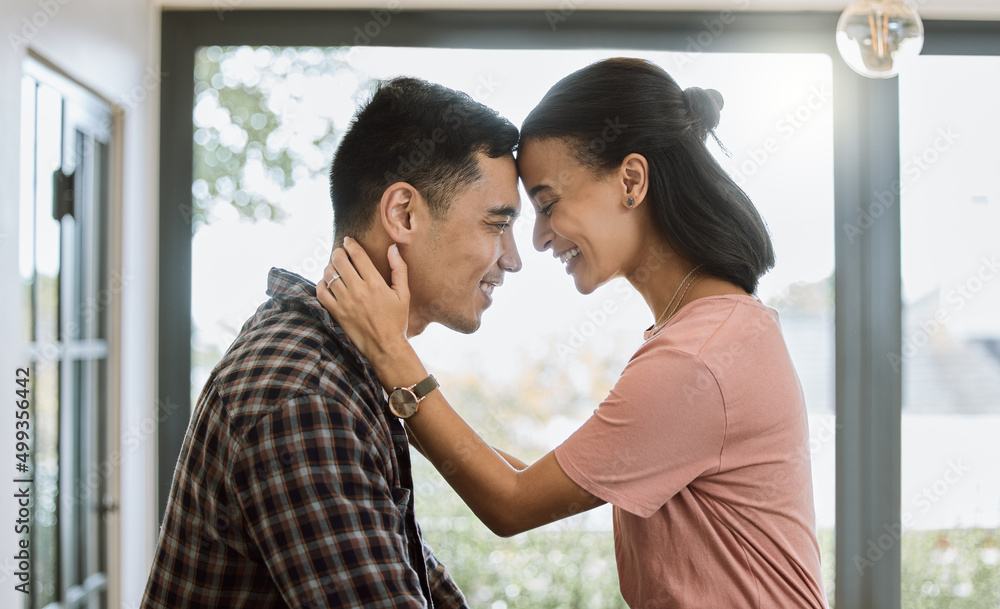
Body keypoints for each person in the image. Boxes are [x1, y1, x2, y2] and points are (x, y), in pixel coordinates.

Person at [317, 57, 829, 608]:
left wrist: (390, 353)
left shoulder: (698, 360)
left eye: (547, 205)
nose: (535, 242)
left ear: (631, 180)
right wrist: (388, 379)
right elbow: (527, 477)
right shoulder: (707, 333)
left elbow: (512, 502)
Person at [141, 76, 523, 609]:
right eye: (497, 224)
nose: (512, 258)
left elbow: (410, 573)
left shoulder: (344, 368)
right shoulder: (305, 396)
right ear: (403, 214)